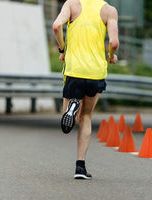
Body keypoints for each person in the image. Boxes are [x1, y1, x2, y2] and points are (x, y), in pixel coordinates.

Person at [52, 0, 119, 180]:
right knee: (86, 117)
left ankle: (72, 108)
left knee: (69, 122)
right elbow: (114, 42)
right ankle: (80, 167)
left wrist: (63, 49)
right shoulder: (109, 10)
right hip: (96, 73)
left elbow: (56, 25)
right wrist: (111, 56)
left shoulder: (72, 5)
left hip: (75, 70)